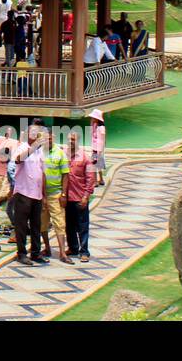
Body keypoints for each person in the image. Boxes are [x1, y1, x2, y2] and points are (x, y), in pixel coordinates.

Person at [10, 123, 47, 265]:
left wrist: (43, 194)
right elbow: (18, 159)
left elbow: (42, 172)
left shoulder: (40, 151)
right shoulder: (22, 148)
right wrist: (33, 147)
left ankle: (36, 252)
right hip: (23, 192)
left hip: (36, 194)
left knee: (36, 224)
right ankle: (21, 253)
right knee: (21, 225)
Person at [41, 129, 73, 263]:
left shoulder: (60, 153)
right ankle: (47, 247)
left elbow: (65, 174)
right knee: (42, 224)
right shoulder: (38, 153)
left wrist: (63, 194)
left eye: (49, 138)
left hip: (56, 194)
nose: (47, 141)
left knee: (59, 223)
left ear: (53, 137)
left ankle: (62, 253)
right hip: (41, 195)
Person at [64, 132, 96, 262]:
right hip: (67, 197)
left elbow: (91, 178)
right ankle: (73, 248)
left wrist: (86, 196)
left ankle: (84, 252)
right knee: (69, 225)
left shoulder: (85, 158)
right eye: (69, 139)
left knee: (82, 226)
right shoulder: (64, 155)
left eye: (73, 139)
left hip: (79, 197)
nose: (70, 141)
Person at [89, 108, 107, 185]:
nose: (92, 118)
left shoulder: (101, 128)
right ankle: (100, 180)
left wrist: (99, 152)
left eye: (93, 117)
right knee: (96, 164)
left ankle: (96, 181)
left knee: (96, 164)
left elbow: (102, 140)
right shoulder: (95, 126)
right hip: (95, 148)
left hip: (98, 150)